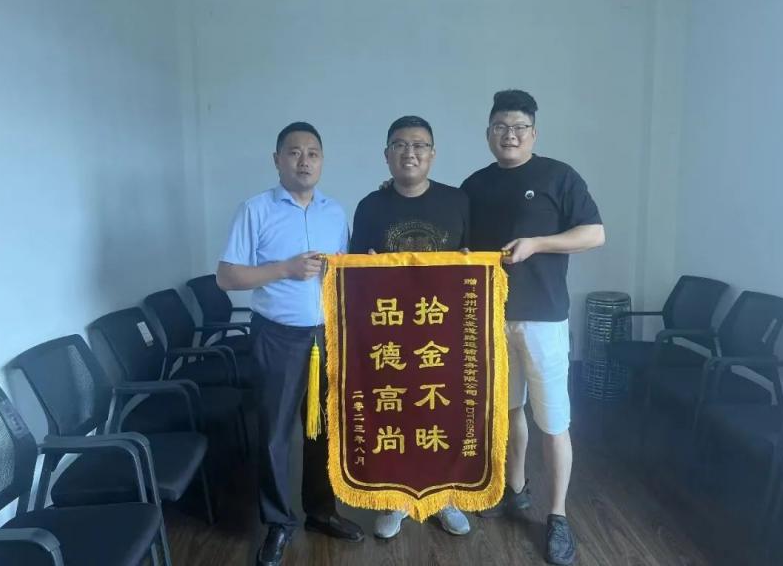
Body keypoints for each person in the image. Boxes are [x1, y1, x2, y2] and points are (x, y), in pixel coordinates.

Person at [461, 90, 605, 566]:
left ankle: (558, 515)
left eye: (519, 127)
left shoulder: (558, 176)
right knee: (509, 410)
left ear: (533, 134)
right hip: (490, 317)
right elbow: (453, 240)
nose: (510, 135)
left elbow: (594, 233)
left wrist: (538, 243)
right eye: (501, 127)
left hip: (544, 318)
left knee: (554, 421)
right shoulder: (474, 185)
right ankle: (515, 488)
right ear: (488, 133)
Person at [217, 122, 364, 566]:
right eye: (295, 152)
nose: (304, 161)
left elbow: (342, 271)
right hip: (277, 336)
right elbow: (227, 277)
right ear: (277, 159)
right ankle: (279, 522)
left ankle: (321, 511)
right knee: (276, 434)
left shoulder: (334, 212)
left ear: (322, 161)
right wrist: (284, 268)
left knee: (323, 429)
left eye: (313, 153)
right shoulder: (255, 210)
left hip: (327, 335)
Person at [350, 115, 472, 539]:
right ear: (386, 155)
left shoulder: (458, 201)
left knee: (442, 413)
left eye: (419, 145)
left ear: (433, 155)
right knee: (394, 414)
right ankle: (395, 500)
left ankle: (444, 497)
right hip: (390, 334)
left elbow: (476, 263)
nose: (410, 153)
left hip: (443, 331)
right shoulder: (370, 206)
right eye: (400, 145)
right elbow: (355, 272)